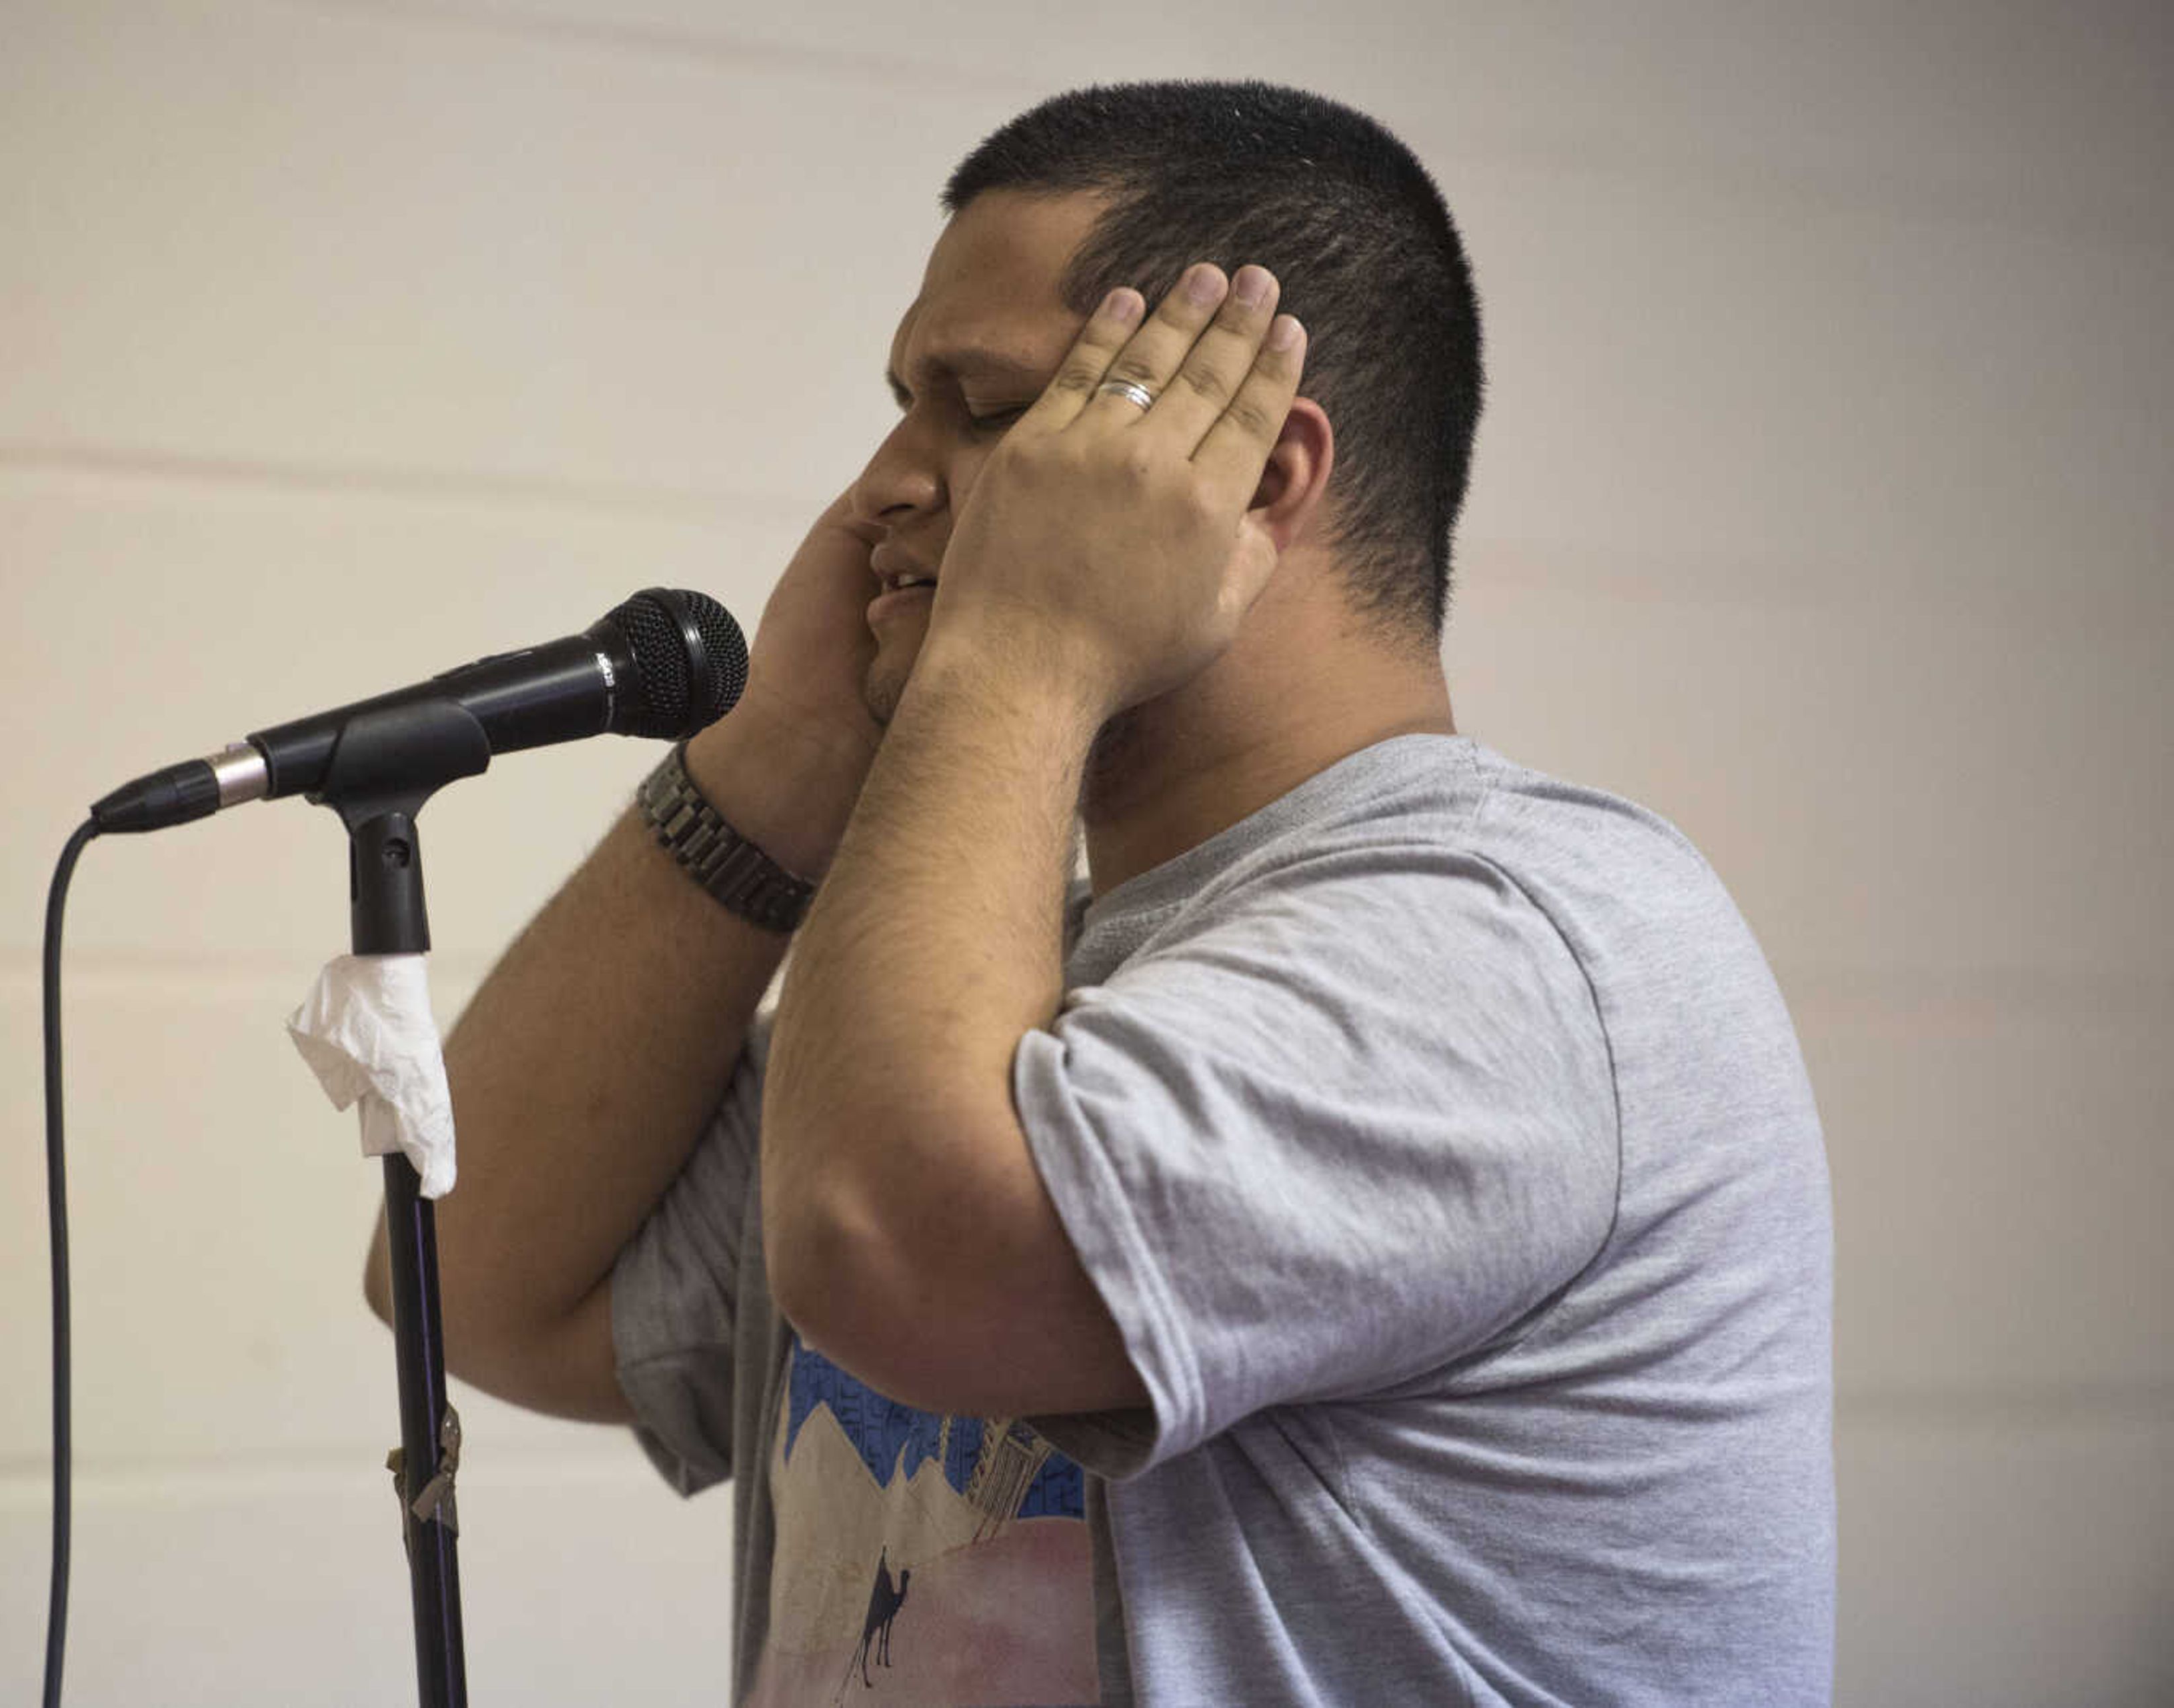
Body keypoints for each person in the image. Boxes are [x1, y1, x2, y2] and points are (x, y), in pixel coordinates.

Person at [367, 80, 1834, 1707]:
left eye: (981, 408)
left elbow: (894, 1256)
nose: (883, 487)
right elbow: (468, 1281)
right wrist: (778, 756)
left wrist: (1018, 649)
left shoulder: (1523, 938)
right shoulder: (976, 987)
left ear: (1254, 476)